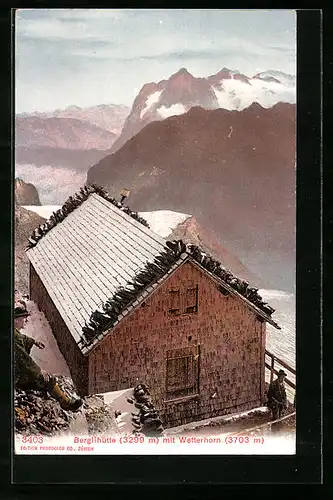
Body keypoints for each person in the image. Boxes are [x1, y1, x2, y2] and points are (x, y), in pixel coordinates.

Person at [14, 304, 83, 412]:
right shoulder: (14, 336)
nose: (25, 320)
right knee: (48, 379)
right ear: (16, 320)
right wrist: (39, 371)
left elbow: (22, 338)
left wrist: (34, 341)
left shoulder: (13, 332)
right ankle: (66, 403)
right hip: (15, 375)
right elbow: (23, 358)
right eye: (23, 318)